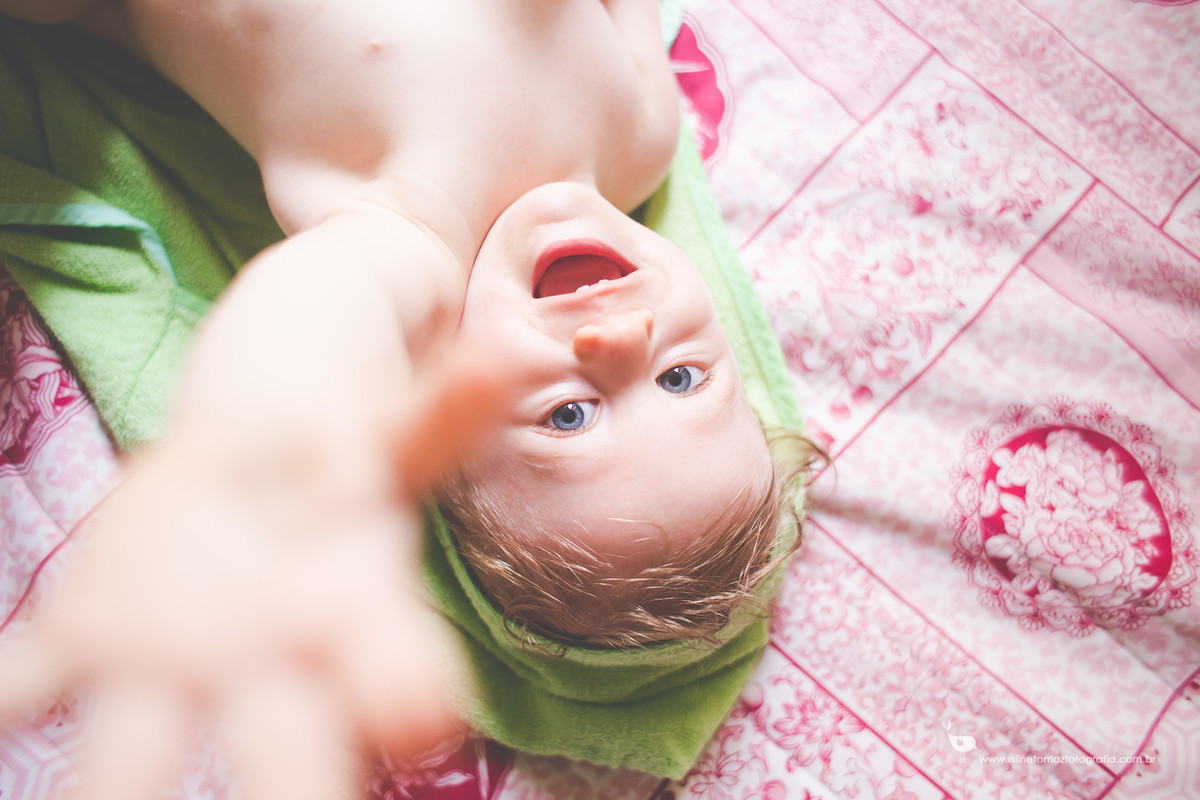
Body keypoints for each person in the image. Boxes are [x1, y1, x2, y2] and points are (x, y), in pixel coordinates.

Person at [0, 0, 814, 795]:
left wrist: (241, 459)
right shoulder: (642, 141)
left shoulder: (420, 238)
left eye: (568, 415)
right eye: (680, 378)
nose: (623, 340)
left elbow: (320, 312)